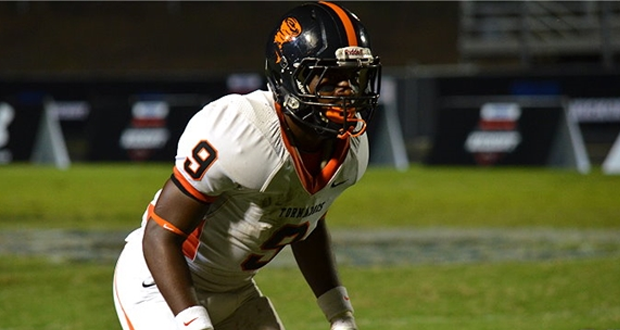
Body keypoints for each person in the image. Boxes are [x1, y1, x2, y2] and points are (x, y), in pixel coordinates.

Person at [112, 1, 381, 329]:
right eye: (330, 77)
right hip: (161, 285)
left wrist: (340, 316)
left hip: (235, 291)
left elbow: (307, 220)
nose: (346, 90)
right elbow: (159, 235)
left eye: (355, 76)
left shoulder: (351, 147)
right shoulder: (241, 129)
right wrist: (194, 323)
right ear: (290, 77)